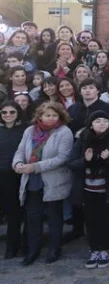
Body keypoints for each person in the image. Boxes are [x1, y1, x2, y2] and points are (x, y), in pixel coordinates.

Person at [12, 102, 74, 265]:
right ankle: (33, 250)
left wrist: (35, 167)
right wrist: (17, 163)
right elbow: (20, 151)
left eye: (55, 115)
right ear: (40, 116)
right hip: (31, 181)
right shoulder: (29, 131)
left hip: (53, 180)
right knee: (33, 218)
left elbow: (62, 158)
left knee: (54, 217)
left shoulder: (64, 132)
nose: (51, 118)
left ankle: (54, 249)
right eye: (47, 115)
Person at [68, 110, 109, 269]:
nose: (102, 123)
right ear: (91, 124)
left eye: (105, 120)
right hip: (87, 188)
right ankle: (94, 250)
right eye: (98, 121)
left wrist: (107, 159)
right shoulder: (82, 138)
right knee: (91, 220)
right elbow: (71, 163)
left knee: (105, 221)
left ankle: (104, 250)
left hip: (107, 188)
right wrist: (86, 161)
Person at [0, 101, 26, 258]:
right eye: (4, 112)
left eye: (12, 112)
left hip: (16, 174)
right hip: (0, 174)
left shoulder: (25, 129)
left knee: (13, 213)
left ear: (18, 113)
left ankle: (13, 246)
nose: (8, 115)